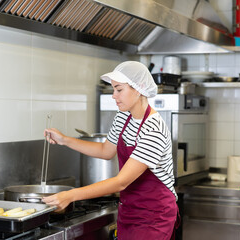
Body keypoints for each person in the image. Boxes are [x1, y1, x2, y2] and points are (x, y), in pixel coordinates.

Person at [42, 61, 179, 240]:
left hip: (154, 216)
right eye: (113, 89)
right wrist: (65, 140)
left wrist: (71, 195)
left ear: (138, 89)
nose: (114, 95)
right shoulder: (124, 116)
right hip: (129, 211)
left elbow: (121, 182)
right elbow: (106, 151)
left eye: (119, 89)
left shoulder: (154, 130)